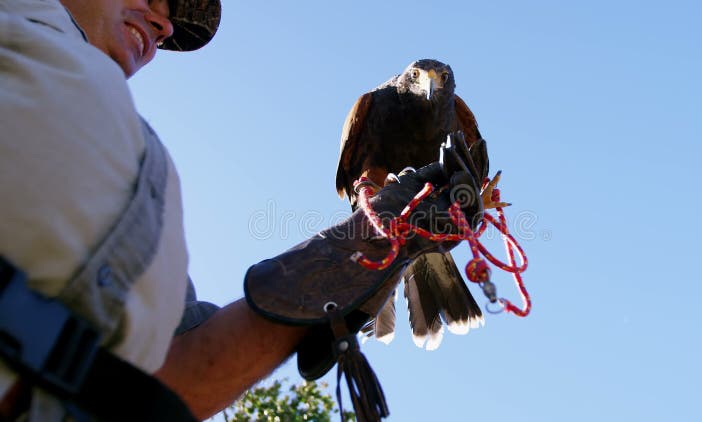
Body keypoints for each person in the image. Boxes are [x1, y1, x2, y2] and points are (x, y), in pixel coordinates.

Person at [0, 0, 485, 420]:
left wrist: (358, 253)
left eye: (174, 16)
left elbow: (173, 380)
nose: (165, 25)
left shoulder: (146, 174)